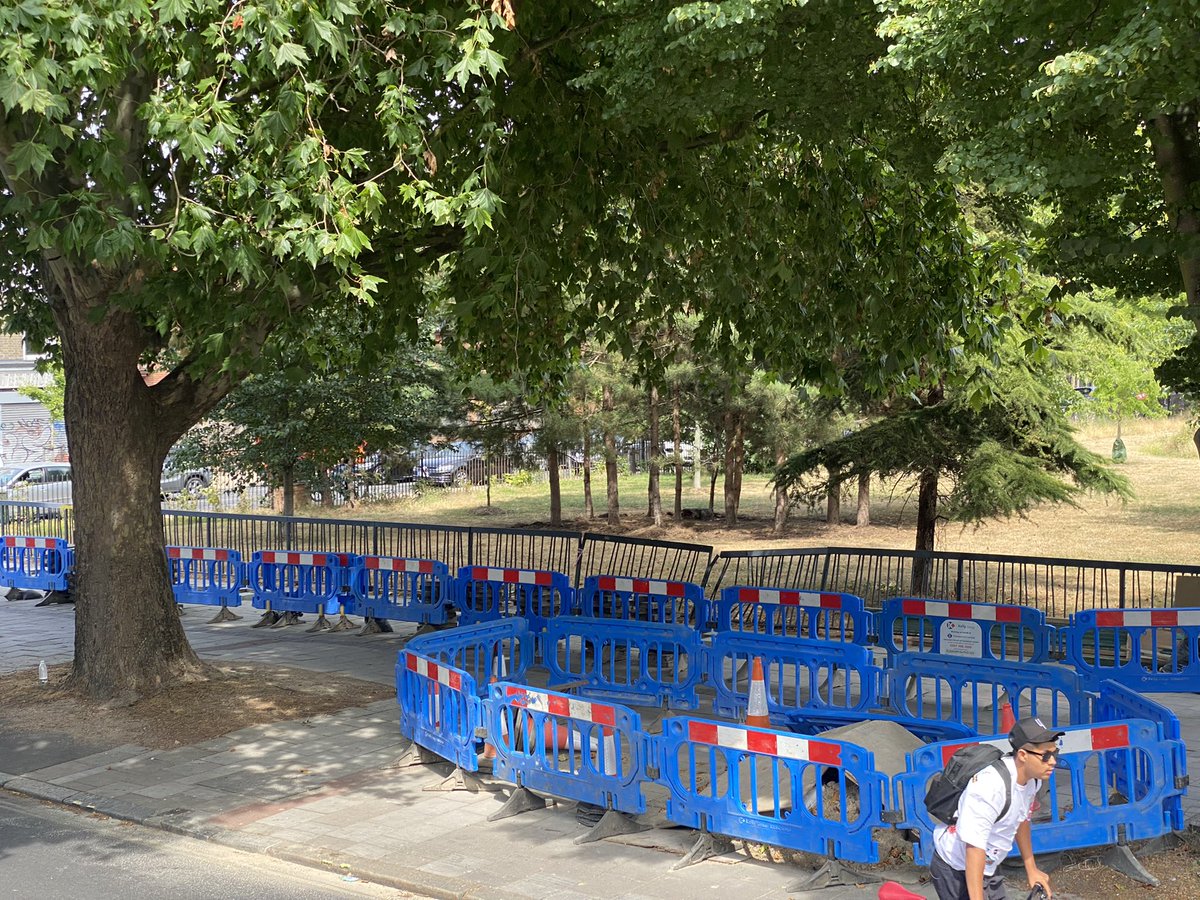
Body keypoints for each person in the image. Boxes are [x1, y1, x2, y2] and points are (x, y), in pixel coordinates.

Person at [931, 717, 1061, 900]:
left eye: (1056, 753)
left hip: (988, 865)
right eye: (1046, 755)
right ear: (1023, 755)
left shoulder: (1033, 780)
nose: (1053, 761)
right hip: (956, 868)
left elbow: (1021, 818)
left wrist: (1031, 868)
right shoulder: (989, 787)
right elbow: (974, 848)